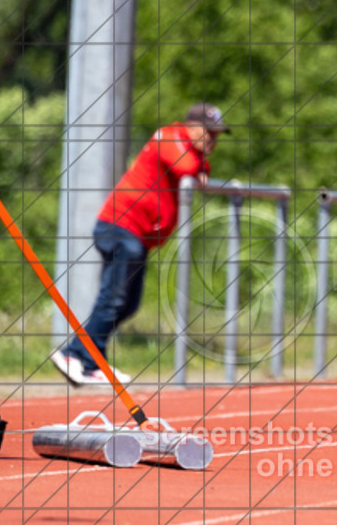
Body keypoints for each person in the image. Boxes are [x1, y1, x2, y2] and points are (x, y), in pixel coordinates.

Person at [50, 102, 229, 385]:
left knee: (128, 304)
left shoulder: (188, 148)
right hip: (120, 226)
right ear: (192, 127)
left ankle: (87, 359)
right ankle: (75, 355)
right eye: (210, 133)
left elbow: (195, 168)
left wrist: (201, 166)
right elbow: (185, 166)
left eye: (217, 135)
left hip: (135, 235)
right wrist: (201, 167)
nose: (213, 140)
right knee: (114, 299)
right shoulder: (169, 136)